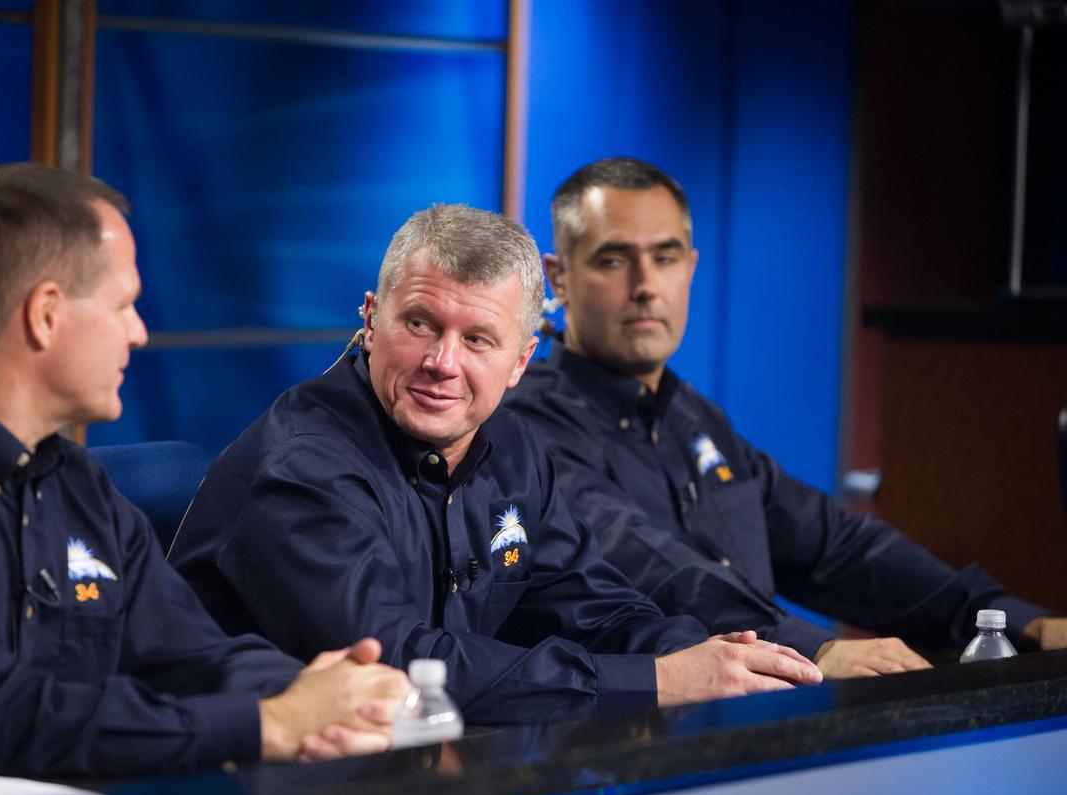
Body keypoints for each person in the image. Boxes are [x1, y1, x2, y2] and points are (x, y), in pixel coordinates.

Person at [0, 162, 408, 777]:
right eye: (124, 305)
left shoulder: (76, 485)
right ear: (46, 315)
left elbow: (194, 659)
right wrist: (264, 725)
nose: (138, 334)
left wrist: (326, 693)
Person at [169, 203, 821, 725]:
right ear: (371, 320)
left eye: (478, 339)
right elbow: (400, 666)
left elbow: (593, 606)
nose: (443, 362)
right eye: (420, 324)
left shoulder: (511, 448)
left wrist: (709, 656)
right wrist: (658, 681)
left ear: (520, 360)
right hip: (237, 788)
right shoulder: (301, 469)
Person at [503, 157, 1066, 677]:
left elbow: (837, 548)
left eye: (665, 256)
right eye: (613, 260)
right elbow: (650, 565)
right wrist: (812, 649)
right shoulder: (525, 427)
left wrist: (1010, 618)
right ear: (559, 279)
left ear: (691, 267)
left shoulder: (694, 419)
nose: (646, 286)